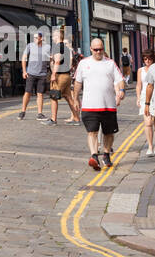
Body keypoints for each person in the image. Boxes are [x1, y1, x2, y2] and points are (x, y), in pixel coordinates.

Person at [74, 37, 125, 171]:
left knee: (109, 133)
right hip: (89, 106)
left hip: (108, 106)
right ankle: (94, 156)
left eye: (101, 49)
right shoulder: (83, 63)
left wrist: (121, 90)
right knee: (92, 132)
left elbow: (120, 79)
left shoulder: (110, 63)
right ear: (91, 49)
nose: (98, 52)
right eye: (96, 49)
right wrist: (75, 98)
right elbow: (78, 82)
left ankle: (106, 154)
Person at [19, 30, 52, 121]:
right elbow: (23, 58)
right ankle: (22, 111)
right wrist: (24, 71)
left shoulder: (48, 47)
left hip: (42, 74)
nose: (36, 39)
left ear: (41, 38)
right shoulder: (30, 46)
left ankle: (40, 113)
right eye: (35, 38)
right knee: (27, 92)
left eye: (37, 37)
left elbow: (51, 59)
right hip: (31, 73)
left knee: (40, 94)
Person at [49, 31, 79, 125]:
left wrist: (53, 74)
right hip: (67, 75)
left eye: (53, 36)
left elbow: (57, 61)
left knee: (54, 97)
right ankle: (76, 119)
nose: (52, 38)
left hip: (60, 75)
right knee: (68, 97)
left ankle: (53, 120)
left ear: (58, 37)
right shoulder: (66, 47)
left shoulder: (58, 47)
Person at [138, 50, 155, 157]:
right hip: (146, 97)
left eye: (149, 58)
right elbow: (139, 85)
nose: (147, 61)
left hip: (154, 96)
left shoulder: (153, 68)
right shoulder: (140, 70)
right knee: (148, 123)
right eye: (145, 59)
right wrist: (139, 98)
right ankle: (150, 147)